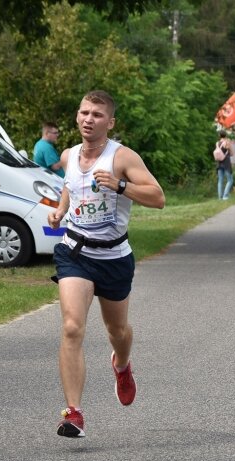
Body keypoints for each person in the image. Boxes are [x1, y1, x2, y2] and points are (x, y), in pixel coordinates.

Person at [46, 91, 165, 438]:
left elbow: (158, 198)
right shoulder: (68, 155)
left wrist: (121, 185)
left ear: (109, 122)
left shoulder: (122, 157)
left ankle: (122, 365)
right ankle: (73, 413)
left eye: (97, 114)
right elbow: (70, 189)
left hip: (114, 257)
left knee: (118, 332)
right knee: (72, 327)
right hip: (75, 252)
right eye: (84, 112)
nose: (88, 119)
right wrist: (60, 211)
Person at [216, 130, 233, 200]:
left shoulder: (217, 143)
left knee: (220, 180)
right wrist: (229, 146)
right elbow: (232, 153)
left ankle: (220, 197)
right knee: (230, 180)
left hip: (219, 163)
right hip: (226, 163)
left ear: (219, 136)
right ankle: (225, 196)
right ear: (226, 135)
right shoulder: (227, 142)